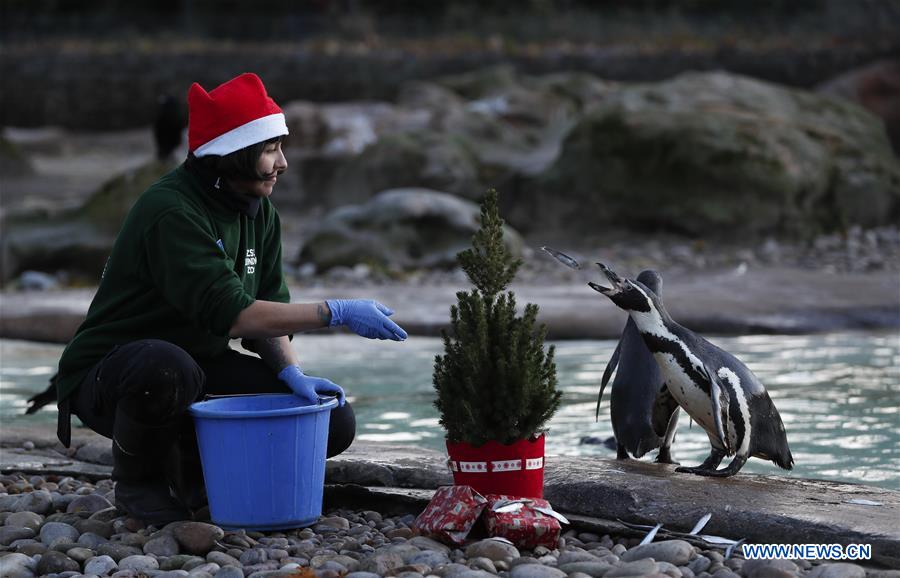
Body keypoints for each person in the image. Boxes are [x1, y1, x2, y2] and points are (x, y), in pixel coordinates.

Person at [53, 72, 408, 526]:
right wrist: (334, 312)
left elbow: (268, 315)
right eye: (269, 150)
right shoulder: (171, 211)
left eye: (281, 148)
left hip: (195, 367)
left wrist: (289, 372)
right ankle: (139, 484)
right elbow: (237, 316)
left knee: (330, 422)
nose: (282, 163)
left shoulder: (261, 213)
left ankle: (195, 470)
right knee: (165, 367)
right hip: (115, 374)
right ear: (232, 153)